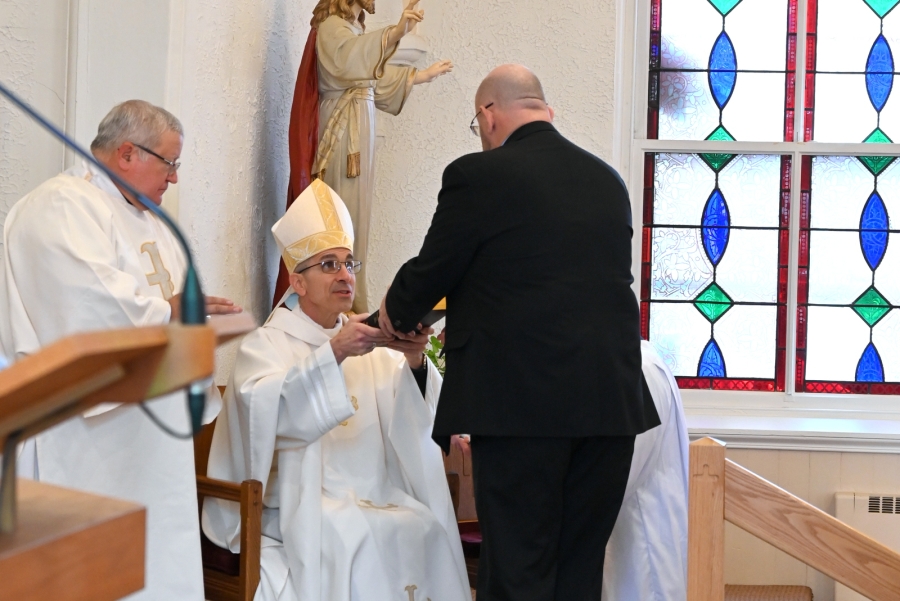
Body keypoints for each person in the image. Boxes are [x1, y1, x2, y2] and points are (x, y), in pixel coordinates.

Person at [377, 64, 661, 600]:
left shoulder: (478, 176)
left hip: (520, 409)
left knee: (518, 572)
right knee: (577, 571)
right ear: (543, 109)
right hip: (609, 408)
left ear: (487, 115)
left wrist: (394, 312)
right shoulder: (608, 180)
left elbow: (434, 269)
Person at [0, 99, 241, 600]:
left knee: (160, 560)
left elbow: (174, 305)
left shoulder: (154, 224)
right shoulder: (61, 206)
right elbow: (84, 303)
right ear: (128, 153)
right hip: (88, 433)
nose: (174, 178)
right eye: (170, 163)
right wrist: (171, 313)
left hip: (152, 429)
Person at [202, 179, 469, 601]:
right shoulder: (267, 345)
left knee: (424, 527)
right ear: (298, 282)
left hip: (377, 495)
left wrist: (415, 361)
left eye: (348, 263)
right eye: (328, 264)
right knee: (350, 539)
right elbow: (262, 419)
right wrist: (334, 356)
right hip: (295, 505)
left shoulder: (369, 340)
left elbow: (412, 421)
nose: (345, 275)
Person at [273, 0, 453, 312]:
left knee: (358, 221)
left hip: (358, 130)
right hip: (342, 134)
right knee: (342, 213)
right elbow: (347, 63)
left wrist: (418, 77)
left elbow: (369, 80)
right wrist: (396, 32)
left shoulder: (353, 28)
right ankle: (335, 304)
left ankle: (352, 300)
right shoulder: (330, 25)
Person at [602, 340, 689, 601]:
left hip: (640, 551)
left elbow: (620, 473)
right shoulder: (628, 362)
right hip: (628, 544)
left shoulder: (640, 370)